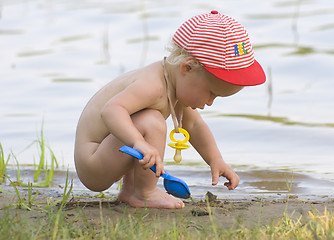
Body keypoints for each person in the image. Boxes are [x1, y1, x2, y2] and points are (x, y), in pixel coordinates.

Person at [74, 10, 266, 209]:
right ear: (188, 68)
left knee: (148, 121)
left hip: (111, 153)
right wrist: (139, 142)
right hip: (94, 162)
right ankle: (144, 193)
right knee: (152, 122)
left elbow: (195, 124)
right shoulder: (152, 86)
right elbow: (111, 110)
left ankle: (132, 191)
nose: (209, 103)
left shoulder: (174, 85)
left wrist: (216, 160)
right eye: (211, 93)